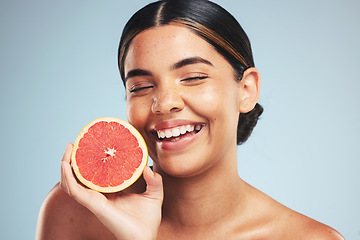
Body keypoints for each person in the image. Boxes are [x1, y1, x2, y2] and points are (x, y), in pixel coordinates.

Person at [35, 0, 344, 239]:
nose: (164, 103)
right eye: (141, 87)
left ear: (246, 90)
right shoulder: (74, 212)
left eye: (193, 77)